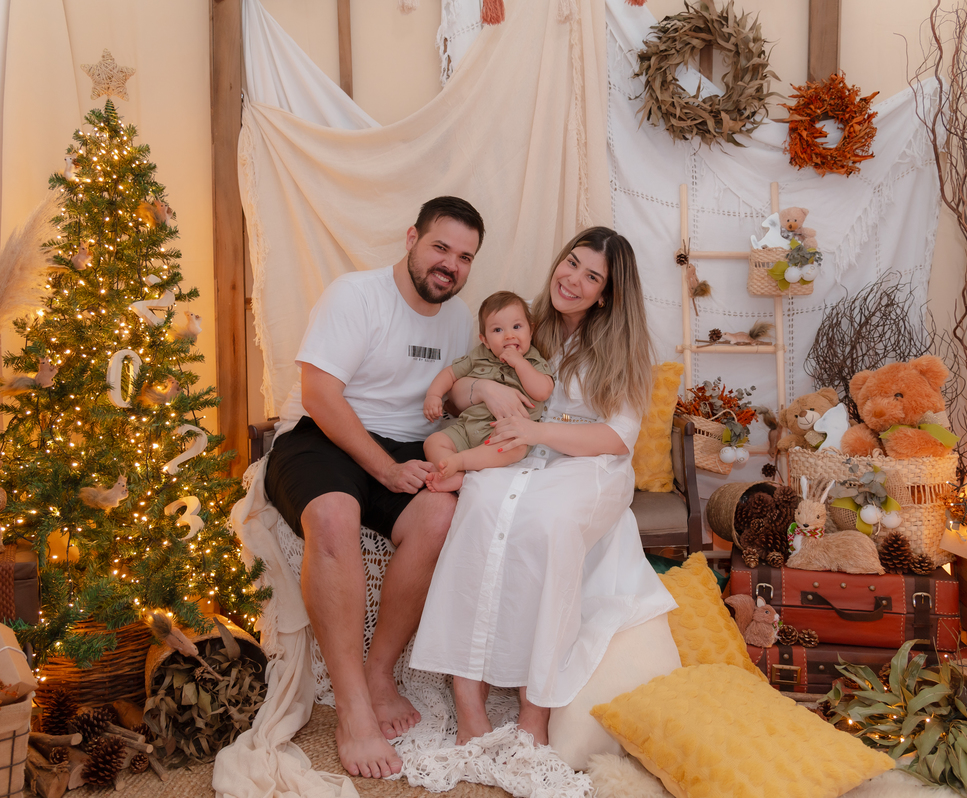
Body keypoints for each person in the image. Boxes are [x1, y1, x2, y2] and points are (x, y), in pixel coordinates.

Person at [409, 227, 678, 746]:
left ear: (607, 294)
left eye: (591, 276)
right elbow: (461, 391)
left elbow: (616, 438)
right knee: (479, 505)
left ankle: (535, 704)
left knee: (547, 525)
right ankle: (468, 699)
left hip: (588, 462)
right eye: (571, 262)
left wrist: (537, 432)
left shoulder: (622, 349)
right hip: (520, 451)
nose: (572, 279)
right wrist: (484, 388)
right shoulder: (523, 323)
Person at [263, 197, 484, 779]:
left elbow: (452, 396)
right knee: (333, 517)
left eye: (464, 257)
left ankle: (379, 672)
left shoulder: (460, 318)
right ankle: (353, 708)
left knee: (440, 515)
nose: (450, 265)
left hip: (409, 445)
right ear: (411, 238)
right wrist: (385, 470)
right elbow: (320, 395)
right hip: (322, 435)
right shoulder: (355, 295)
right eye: (440, 247)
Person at [422, 291, 555, 493]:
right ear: (484, 340)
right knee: (433, 442)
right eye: (498, 330)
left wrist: (519, 363)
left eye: (517, 327)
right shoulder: (479, 356)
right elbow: (450, 373)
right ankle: (454, 473)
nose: (509, 335)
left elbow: (543, 391)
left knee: (516, 447)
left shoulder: (533, 361)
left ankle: (460, 462)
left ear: (531, 330)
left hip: (505, 433)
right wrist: (433, 395)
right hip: (468, 428)